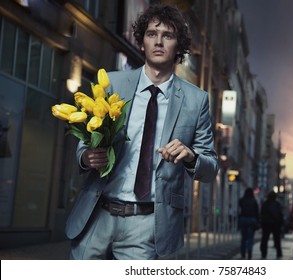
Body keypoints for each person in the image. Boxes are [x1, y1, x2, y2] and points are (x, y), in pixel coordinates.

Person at [65, 4, 219, 260]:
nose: (158, 41)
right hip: (97, 215)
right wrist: (86, 156)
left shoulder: (196, 100)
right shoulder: (113, 83)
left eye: (167, 36)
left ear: (178, 45)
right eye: (151, 34)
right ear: (142, 41)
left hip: (147, 226)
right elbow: (87, 136)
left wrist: (191, 156)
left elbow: (210, 167)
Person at [260, 191, 283, 259]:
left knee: (265, 239)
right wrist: (281, 223)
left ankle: (264, 253)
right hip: (276, 224)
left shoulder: (265, 204)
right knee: (277, 239)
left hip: (266, 224)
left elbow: (262, 213)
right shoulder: (277, 204)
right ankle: (279, 253)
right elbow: (280, 214)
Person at [238, 188, 260, 259]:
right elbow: (257, 212)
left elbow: (240, 210)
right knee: (250, 237)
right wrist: (257, 221)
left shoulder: (242, 200)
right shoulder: (254, 201)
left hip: (243, 219)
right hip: (251, 220)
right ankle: (249, 251)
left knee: (243, 238)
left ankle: (243, 253)